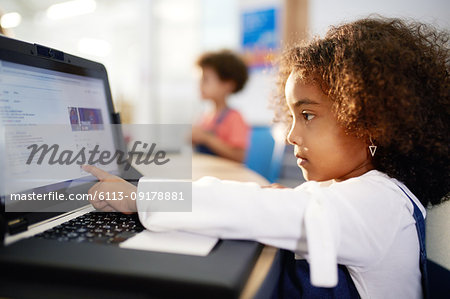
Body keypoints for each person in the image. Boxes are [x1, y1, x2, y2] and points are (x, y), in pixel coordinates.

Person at [83, 17, 449, 298]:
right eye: (290, 117)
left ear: (372, 122)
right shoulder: (358, 192)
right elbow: (295, 206)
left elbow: (254, 208)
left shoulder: (378, 204)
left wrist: (141, 195)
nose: (291, 135)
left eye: (307, 115)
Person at [192, 50, 250, 162]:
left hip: (226, 176)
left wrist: (206, 138)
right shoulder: (204, 116)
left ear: (227, 84)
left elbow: (239, 156)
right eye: (199, 80)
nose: (199, 85)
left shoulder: (234, 117)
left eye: (205, 79)